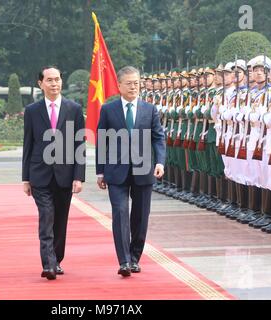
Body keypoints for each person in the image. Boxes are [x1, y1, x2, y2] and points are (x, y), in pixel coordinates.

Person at [96, 66, 166, 277]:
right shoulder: (108, 110)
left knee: (140, 216)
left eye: (136, 83)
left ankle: (135, 256)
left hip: (143, 170)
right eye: (129, 83)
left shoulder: (149, 109)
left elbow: (158, 137)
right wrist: (100, 171)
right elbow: (102, 141)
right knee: (119, 213)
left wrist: (160, 162)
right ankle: (124, 260)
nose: (133, 87)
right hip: (116, 171)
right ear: (119, 86)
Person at [22, 66, 85, 280]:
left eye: (57, 79)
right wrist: (25, 178)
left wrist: (79, 176)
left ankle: (57, 258)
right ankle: (48, 264)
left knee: (60, 219)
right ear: (41, 84)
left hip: (65, 175)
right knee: (46, 216)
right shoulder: (32, 110)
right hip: (39, 174)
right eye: (49, 80)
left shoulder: (74, 109)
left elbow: (79, 145)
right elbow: (28, 144)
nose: (54, 84)